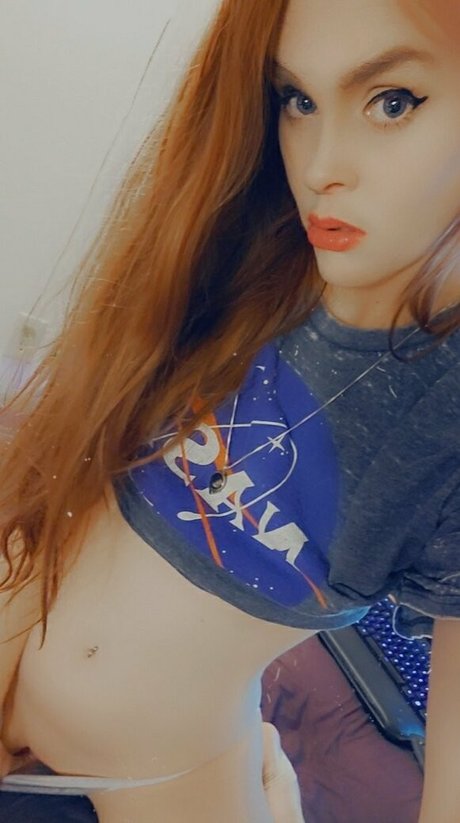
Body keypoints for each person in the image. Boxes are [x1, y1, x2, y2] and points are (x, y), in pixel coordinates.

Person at [0, 0, 459, 820]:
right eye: (297, 100)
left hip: (165, 774)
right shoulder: (243, 248)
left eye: (393, 101)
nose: (321, 165)